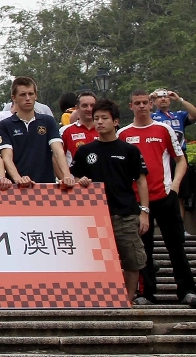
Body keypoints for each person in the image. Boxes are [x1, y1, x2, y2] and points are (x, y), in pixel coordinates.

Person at [119, 89, 194, 306]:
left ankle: (187, 290)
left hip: (164, 196)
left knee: (176, 245)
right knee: (143, 248)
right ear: (131, 106)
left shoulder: (164, 129)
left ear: (150, 105)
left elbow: (180, 159)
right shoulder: (123, 133)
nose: (142, 106)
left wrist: (175, 186)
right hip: (137, 201)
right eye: (137, 103)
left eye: (145, 102)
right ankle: (146, 294)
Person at [70, 100, 148, 298]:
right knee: (95, 260)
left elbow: (141, 181)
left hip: (125, 215)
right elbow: (74, 177)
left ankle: (128, 299)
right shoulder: (85, 151)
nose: (99, 122)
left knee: (131, 259)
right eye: (96, 118)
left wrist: (144, 212)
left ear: (115, 122)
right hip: (94, 216)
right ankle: (99, 298)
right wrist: (80, 181)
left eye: (104, 118)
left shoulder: (129, 151)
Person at [0, 77, 73, 187]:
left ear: (36, 96)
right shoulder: (5, 125)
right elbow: (7, 157)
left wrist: (66, 176)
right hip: (17, 188)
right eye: (23, 95)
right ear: (14, 98)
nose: (28, 98)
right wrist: (18, 179)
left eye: (31, 94)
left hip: (46, 186)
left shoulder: (48, 121)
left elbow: (58, 151)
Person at [61, 91, 98, 160]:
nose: (89, 109)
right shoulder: (65, 131)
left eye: (92, 105)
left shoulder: (105, 130)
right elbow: (58, 158)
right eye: (84, 106)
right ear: (77, 108)